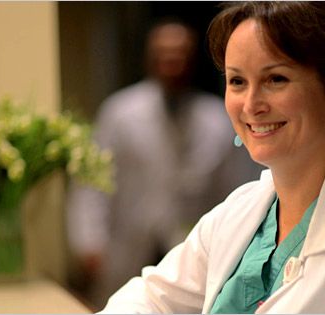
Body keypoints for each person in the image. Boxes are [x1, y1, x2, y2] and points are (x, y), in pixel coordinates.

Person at [98, 2, 325, 313]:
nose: (252, 105)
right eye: (237, 81)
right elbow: (151, 297)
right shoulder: (241, 212)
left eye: (276, 79)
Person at [66, 19, 261, 308]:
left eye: (180, 53)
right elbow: (92, 181)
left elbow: (237, 192)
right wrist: (88, 240)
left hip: (189, 246)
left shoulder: (218, 119)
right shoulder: (120, 113)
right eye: (164, 53)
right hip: (127, 246)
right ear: (149, 58)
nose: (172, 61)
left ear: (193, 59)